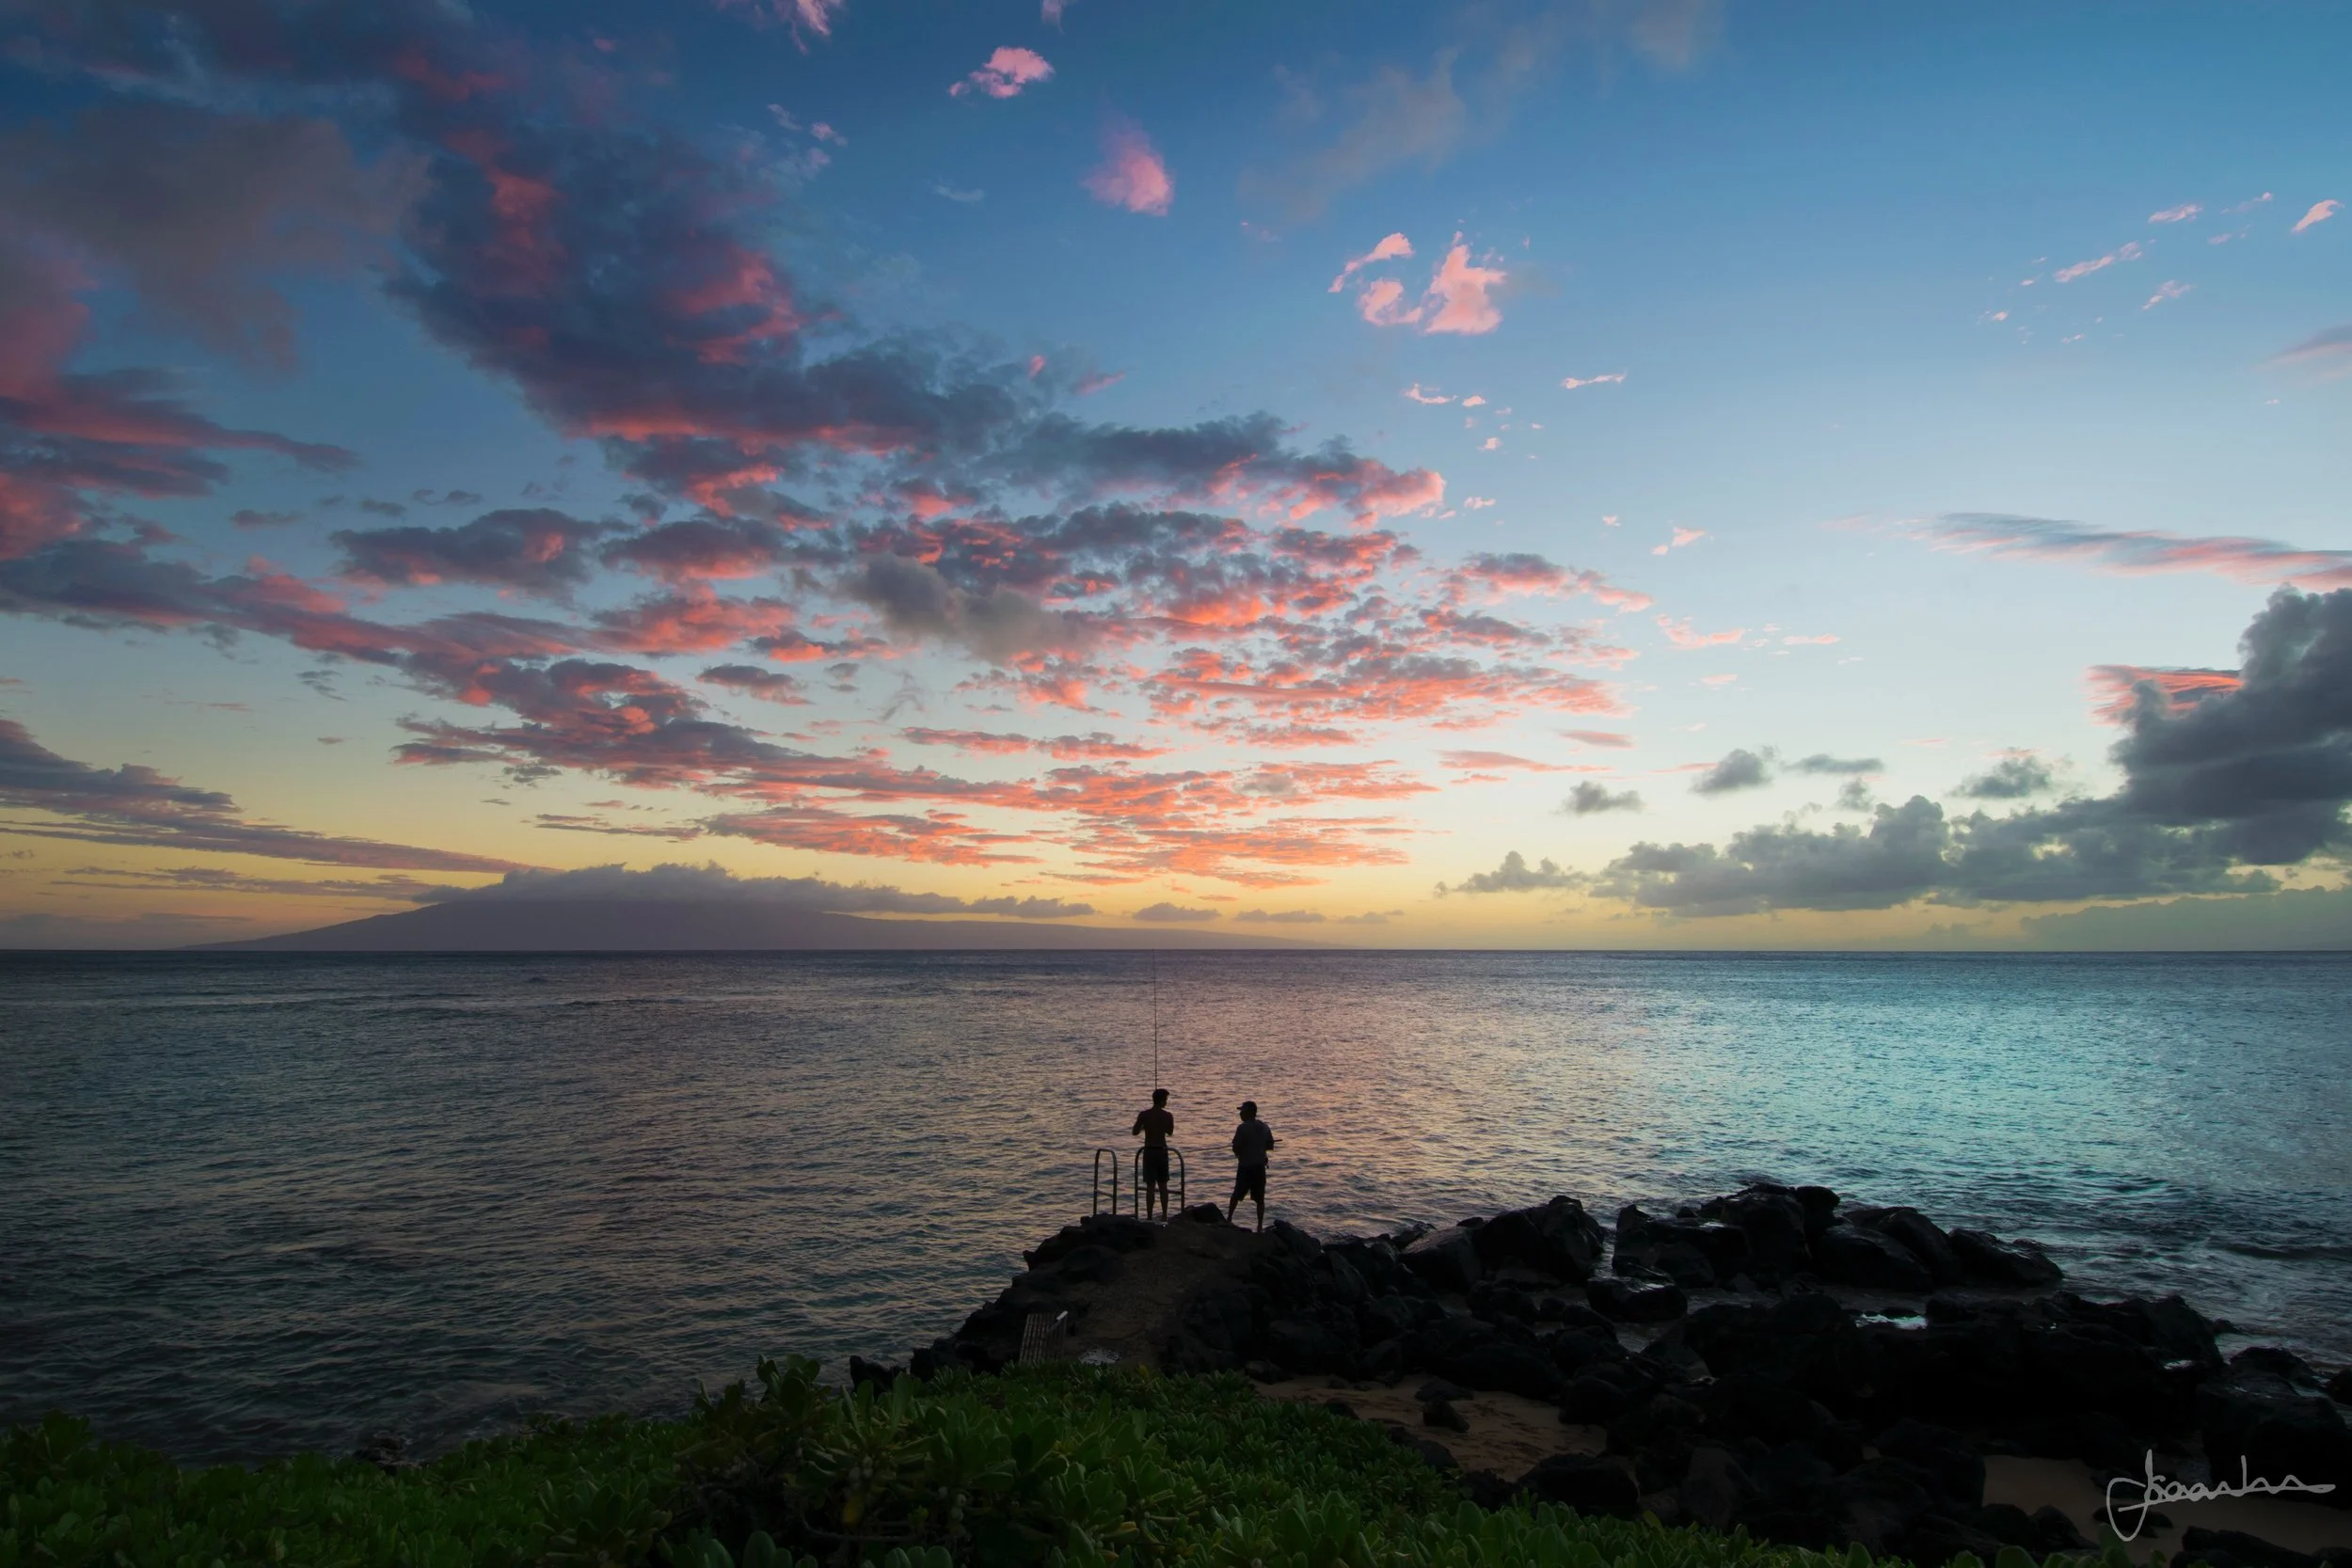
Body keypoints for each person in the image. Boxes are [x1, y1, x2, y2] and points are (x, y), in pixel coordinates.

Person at [1226, 1101, 1277, 1231]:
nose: (1240, 1114)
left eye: (1242, 1111)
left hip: (1245, 1167)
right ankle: (1259, 1226)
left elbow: (1236, 1148)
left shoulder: (1242, 1128)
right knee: (1260, 1198)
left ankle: (1229, 1219)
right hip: (1259, 1168)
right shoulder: (1264, 1127)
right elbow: (1270, 1146)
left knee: (1237, 1194)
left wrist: (1242, 1154)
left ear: (1248, 1112)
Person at [1130, 1088, 1175, 1220]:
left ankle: (1149, 1217)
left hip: (1149, 1151)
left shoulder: (1144, 1115)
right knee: (1163, 1186)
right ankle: (1165, 1216)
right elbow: (1170, 1132)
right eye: (1165, 1100)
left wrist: (1146, 1126)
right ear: (1161, 1100)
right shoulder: (1168, 1115)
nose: (1166, 1102)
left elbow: (1135, 1131)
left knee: (1150, 1186)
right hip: (1161, 1151)